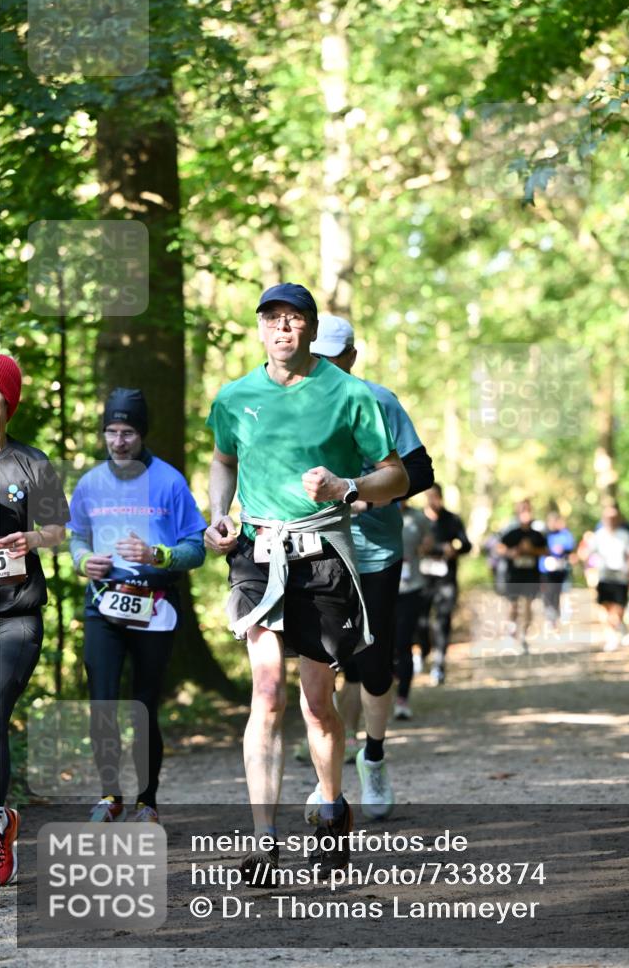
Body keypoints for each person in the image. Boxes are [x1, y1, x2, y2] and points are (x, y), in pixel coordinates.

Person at [204, 284, 408, 882]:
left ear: (311, 331)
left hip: (323, 558)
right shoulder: (235, 396)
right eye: (272, 320)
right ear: (261, 329)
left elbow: (393, 476)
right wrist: (222, 514)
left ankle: (328, 810)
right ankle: (263, 841)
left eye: (294, 321)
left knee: (317, 705)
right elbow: (223, 459)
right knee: (265, 692)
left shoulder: (349, 394)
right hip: (258, 554)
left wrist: (346, 487)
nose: (282, 330)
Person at [307, 314, 434, 818]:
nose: (325, 368)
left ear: (351, 358)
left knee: (376, 665)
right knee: (324, 662)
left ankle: (374, 756)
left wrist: (367, 496)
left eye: (334, 358)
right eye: (317, 358)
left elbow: (420, 472)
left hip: (375, 550)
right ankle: (328, 780)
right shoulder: (293, 405)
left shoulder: (379, 401)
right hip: (316, 549)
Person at [69, 388, 206, 824]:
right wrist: (82, 561)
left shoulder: (168, 480)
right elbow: (76, 536)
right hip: (103, 606)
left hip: (155, 606)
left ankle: (147, 801)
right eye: (111, 431)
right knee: (103, 704)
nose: (119, 441)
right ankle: (110, 795)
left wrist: (158, 556)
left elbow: (196, 548)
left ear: (142, 433)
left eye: (127, 431)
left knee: (144, 707)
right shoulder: (90, 482)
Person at [0, 354, 69, 886]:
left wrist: (32, 537)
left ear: (8, 405)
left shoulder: (30, 463)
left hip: (16, 615)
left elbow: (59, 530)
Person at [418, 483, 472, 684]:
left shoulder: (452, 519)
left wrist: (454, 549)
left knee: (442, 620)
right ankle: (424, 650)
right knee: (420, 621)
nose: (432, 501)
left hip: (446, 580)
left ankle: (439, 663)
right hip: (422, 580)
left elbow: (466, 544)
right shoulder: (418, 519)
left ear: (441, 498)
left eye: (436, 497)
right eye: (429, 496)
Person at [394, 499, 434, 719]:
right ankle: (385, 689)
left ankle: (402, 698)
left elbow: (429, 543)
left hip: (411, 587)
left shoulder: (418, 518)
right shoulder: (373, 512)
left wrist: (425, 546)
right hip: (383, 588)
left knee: (404, 643)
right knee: (385, 644)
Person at [578, 503, 629, 651]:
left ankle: (619, 625)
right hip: (604, 575)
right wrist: (588, 571)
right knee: (605, 607)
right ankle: (611, 636)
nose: (611, 520)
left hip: (620, 576)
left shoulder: (625, 535)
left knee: (619, 607)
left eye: (614, 518)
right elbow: (587, 554)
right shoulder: (598, 536)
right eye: (608, 518)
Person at [496, 499, 547, 652]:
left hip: (531, 575)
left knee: (528, 606)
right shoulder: (511, 533)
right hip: (514, 575)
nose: (526, 513)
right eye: (522, 510)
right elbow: (499, 548)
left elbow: (545, 550)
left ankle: (524, 636)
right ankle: (512, 631)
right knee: (513, 605)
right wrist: (512, 552)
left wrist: (532, 550)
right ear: (518, 513)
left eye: (528, 510)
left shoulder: (537, 535)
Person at [539, 510, 575, 634]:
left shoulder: (565, 534)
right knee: (547, 595)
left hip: (560, 570)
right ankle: (550, 619)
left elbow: (570, 546)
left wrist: (562, 549)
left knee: (557, 594)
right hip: (545, 570)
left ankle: (554, 619)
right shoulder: (543, 534)